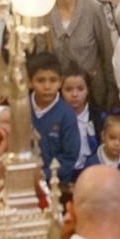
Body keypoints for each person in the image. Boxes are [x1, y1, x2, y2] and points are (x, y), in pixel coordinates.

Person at [47, 0, 117, 112]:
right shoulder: (44, 14)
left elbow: (107, 52)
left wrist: (112, 91)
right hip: (56, 93)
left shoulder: (93, 10)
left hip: (92, 92)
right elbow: (42, 57)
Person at [27, 53, 81, 186]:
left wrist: (44, 174)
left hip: (56, 184)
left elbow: (69, 157)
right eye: (40, 80)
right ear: (29, 82)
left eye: (53, 80)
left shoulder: (67, 115)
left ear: (60, 82)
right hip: (24, 179)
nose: (47, 86)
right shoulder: (22, 109)